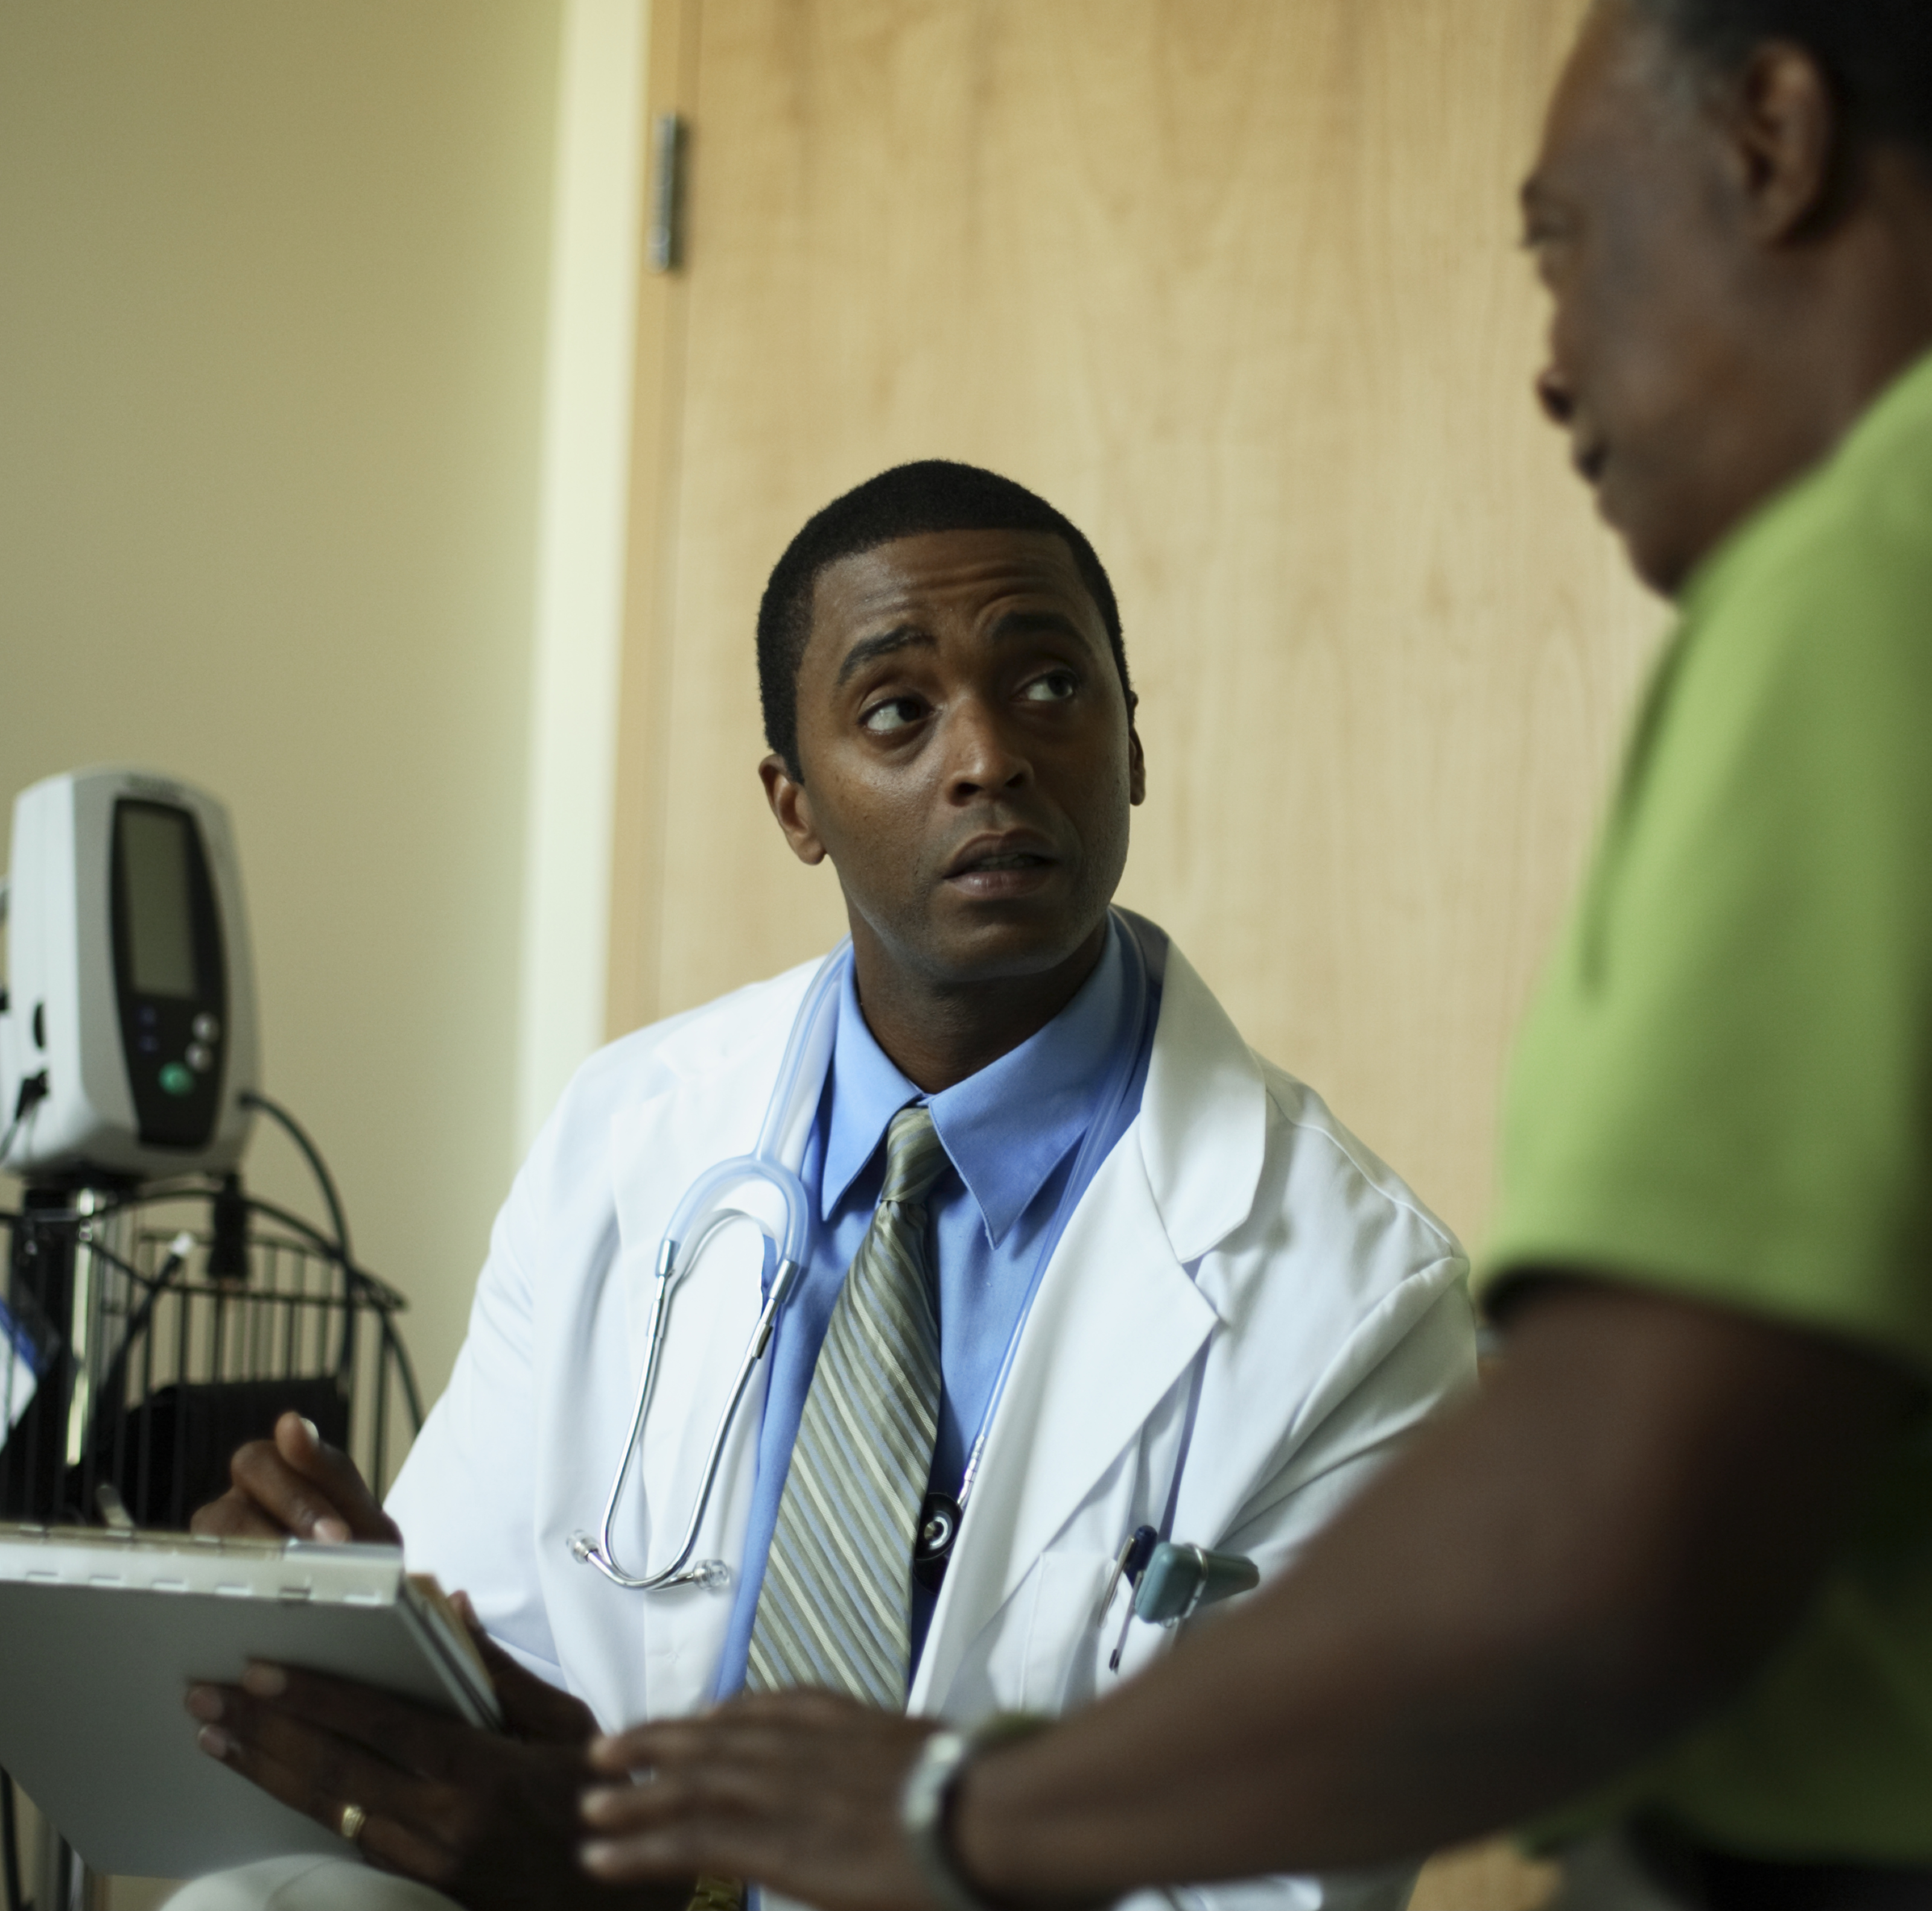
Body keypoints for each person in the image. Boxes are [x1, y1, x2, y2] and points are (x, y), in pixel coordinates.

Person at [573, 0, 1932, 1907]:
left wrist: (950, 1818)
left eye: (1564, 246)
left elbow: (1614, 1531)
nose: (1549, 365)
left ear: (1772, 140)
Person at [168, 460, 1477, 1911]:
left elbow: (1260, 1892)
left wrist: (674, 1882)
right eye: (899, 710)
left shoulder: (1359, 1296)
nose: (989, 757)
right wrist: (367, 1636)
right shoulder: (625, 1134)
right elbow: (501, 1657)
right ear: (795, 804)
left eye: (1051, 686)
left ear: (1133, 748)